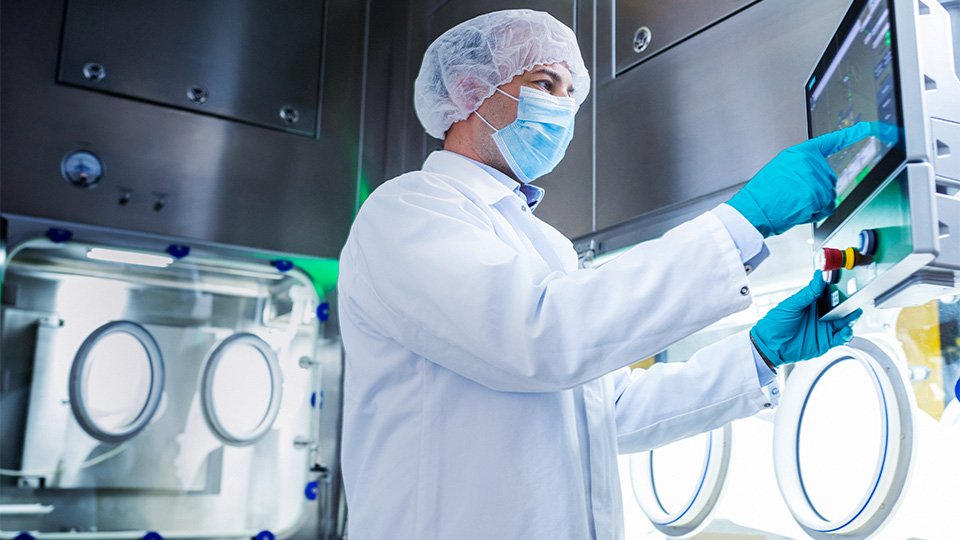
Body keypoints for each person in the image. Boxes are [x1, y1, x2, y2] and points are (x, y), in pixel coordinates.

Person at [338, 9, 865, 539]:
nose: (563, 108)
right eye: (545, 83)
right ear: (471, 89)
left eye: (570, 94)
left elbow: (610, 409)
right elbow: (538, 336)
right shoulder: (408, 209)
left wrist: (756, 355)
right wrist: (740, 224)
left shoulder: (545, 244)